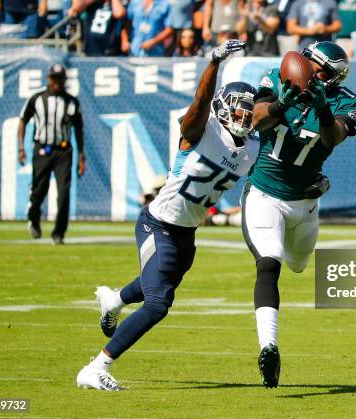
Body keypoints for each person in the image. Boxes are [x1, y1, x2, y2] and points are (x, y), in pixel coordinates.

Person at [75, 40, 258, 391]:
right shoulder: (199, 130)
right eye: (238, 110)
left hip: (186, 233)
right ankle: (96, 366)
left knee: (156, 287)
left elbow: (270, 113)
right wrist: (213, 63)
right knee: (158, 305)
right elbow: (199, 105)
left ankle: (113, 299)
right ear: (221, 110)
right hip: (157, 224)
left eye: (248, 113)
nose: (244, 117)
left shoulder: (250, 146)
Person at [244, 41, 356, 388]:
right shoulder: (277, 79)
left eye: (320, 71)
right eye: (311, 66)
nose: (312, 73)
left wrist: (323, 109)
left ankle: (269, 344)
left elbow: (332, 139)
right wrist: (282, 103)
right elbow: (255, 120)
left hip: (305, 203)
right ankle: (269, 347)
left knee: (298, 263)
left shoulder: (346, 101)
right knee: (270, 261)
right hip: (264, 194)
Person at [18, 64, 85, 245]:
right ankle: (34, 218)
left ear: (64, 80)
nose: (56, 82)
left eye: (59, 78)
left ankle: (59, 232)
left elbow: (78, 129)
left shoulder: (72, 102)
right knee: (39, 190)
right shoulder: (37, 98)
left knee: (63, 193)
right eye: (53, 78)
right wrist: (21, 148)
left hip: (63, 151)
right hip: (42, 149)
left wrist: (81, 156)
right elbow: (23, 120)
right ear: (48, 79)